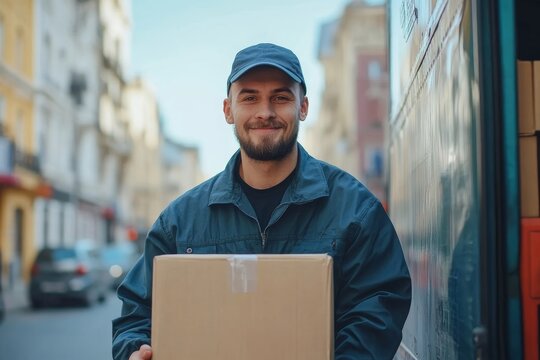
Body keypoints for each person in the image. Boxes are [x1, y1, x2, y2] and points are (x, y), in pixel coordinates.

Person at [112, 43, 412, 360]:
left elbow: (378, 305)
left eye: (281, 97)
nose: (265, 112)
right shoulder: (178, 222)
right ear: (228, 110)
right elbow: (137, 314)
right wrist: (133, 350)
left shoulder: (355, 210)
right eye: (250, 97)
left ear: (303, 107)